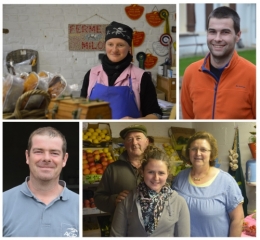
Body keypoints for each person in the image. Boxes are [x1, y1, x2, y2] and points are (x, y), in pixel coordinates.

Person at [181, 6, 256, 119]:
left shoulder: (253, 75)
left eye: (225, 32)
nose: (217, 38)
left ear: (238, 36)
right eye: (212, 32)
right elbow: (188, 118)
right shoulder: (191, 73)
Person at [3, 127, 79, 237]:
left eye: (54, 153)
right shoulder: (4, 203)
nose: (46, 158)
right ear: (27, 156)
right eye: (38, 151)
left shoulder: (78, 205)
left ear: (64, 159)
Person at [80, 21, 162, 119]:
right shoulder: (91, 74)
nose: (114, 50)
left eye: (120, 45)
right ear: (105, 46)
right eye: (110, 44)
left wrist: (135, 121)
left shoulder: (141, 77)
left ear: (129, 48)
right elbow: (81, 109)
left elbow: (155, 114)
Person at [172, 131, 244, 237]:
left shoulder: (226, 182)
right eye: (194, 149)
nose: (198, 153)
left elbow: (238, 219)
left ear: (211, 155)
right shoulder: (180, 177)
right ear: (189, 152)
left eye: (203, 149)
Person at [110, 145, 190, 237]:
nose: (156, 178)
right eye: (151, 172)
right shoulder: (127, 201)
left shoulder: (179, 202)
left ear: (168, 173)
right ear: (142, 172)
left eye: (161, 173)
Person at [93, 124, 149, 233]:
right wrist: (114, 200)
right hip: (122, 229)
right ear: (125, 144)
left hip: (151, 229)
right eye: (129, 139)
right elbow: (98, 199)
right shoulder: (112, 169)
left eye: (138, 138)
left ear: (146, 142)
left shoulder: (155, 167)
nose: (134, 143)